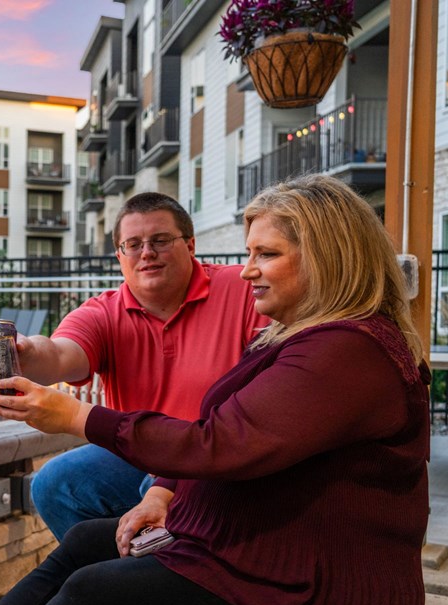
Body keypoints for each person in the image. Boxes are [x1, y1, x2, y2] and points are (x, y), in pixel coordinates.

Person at [0, 175, 428, 605]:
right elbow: (230, 431)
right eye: (248, 254)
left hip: (310, 589)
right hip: (249, 541)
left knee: (95, 593)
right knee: (86, 542)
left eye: (266, 255)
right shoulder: (306, 336)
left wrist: (78, 417)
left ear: (329, 258)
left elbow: (222, 443)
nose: (248, 271)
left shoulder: (347, 352)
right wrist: (168, 494)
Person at [21, 193, 266, 539]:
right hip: (139, 453)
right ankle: (116, 577)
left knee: (159, 491)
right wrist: (26, 351)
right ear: (119, 255)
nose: (147, 253)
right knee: (55, 484)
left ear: (191, 245)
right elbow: (60, 355)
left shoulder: (241, 291)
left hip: (218, 453)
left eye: (161, 240)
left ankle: (157, 578)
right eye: (132, 244)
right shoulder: (104, 312)